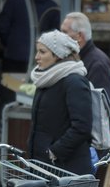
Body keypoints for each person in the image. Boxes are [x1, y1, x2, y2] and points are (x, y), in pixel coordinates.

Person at [29, 30, 93, 175]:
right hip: (42, 166)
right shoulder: (46, 79)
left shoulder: (74, 82)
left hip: (66, 170)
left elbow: (82, 127)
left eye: (42, 52)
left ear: (58, 55)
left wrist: (54, 152)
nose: (37, 57)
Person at [0, 0, 60, 73]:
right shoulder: (52, 6)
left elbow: (2, 28)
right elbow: (56, 36)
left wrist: (11, 44)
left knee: (11, 84)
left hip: (14, 57)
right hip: (40, 59)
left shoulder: (13, 1)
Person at [61, 12, 110, 103]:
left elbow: (99, 107)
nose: (60, 36)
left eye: (65, 32)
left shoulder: (98, 64)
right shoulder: (76, 58)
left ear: (79, 36)